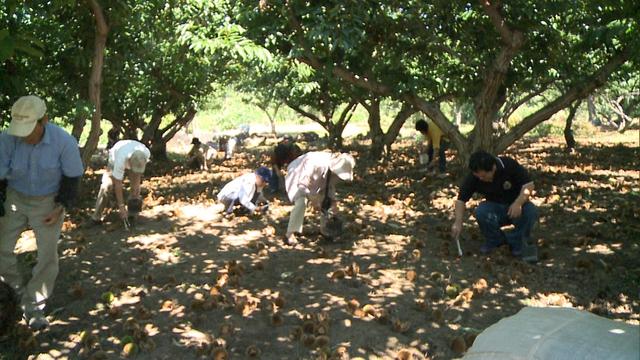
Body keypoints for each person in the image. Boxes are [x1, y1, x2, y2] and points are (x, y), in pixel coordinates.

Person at [0, 95, 84, 330]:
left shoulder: (63, 142)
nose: (24, 135)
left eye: (29, 129)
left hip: (48, 201)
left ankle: (34, 305)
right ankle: (14, 293)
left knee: (47, 255)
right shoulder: (7, 139)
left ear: (44, 120)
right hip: (15, 197)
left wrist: (61, 207)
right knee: (2, 248)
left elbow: (72, 178)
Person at [451, 150, 538, 258]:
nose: (480, 179)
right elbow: (461, 200)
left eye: (483, 176)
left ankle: (517, 242)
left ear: (493, 168)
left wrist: (518, 203)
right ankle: (495, 240)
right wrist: (458, 222)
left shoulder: (508, 165)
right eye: (478, 176)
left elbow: (529, 185)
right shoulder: (475, 176)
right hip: (495, 208)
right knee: (481, 211)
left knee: (531, 211)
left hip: (517, 205)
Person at [285, 151, 355, 245]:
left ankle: (325, 230)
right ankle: (290, 234)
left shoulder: (335, 168)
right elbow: (302, 184)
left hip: (316, 180)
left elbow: (329, 186)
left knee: (327, 202)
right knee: (301, 202)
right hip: (298, 174)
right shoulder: (315, 163)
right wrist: (314, 200)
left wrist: (333, 202)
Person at [91, 139, 150, 225]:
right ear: (129, 161)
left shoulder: (146, 153)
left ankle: (132, 215)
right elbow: (118, 185)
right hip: (116, 156)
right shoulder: (120, 158)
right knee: (108, 186)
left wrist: (135, 192)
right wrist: (121, 206)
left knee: (135, 189)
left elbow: (137, 179)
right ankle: (96, 217)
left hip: (134, 158)